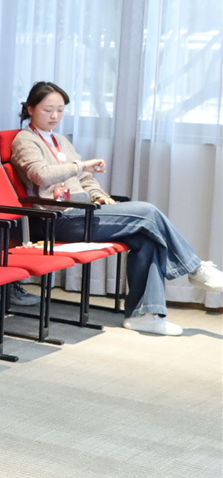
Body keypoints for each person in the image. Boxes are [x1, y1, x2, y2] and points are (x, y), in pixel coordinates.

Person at [12, 82, 222, 328]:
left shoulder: (59, 140)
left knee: (146, 237)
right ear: (30, 109)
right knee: (148, 212)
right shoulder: (25, 140)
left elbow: (84, 178)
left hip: (83, 212)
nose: (55, 116)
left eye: (60, 110)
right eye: (48, 110)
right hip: (58, 218)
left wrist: (98, 195)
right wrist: (81, 165)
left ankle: (145, 316)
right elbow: (41, 175)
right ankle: (195, 268)